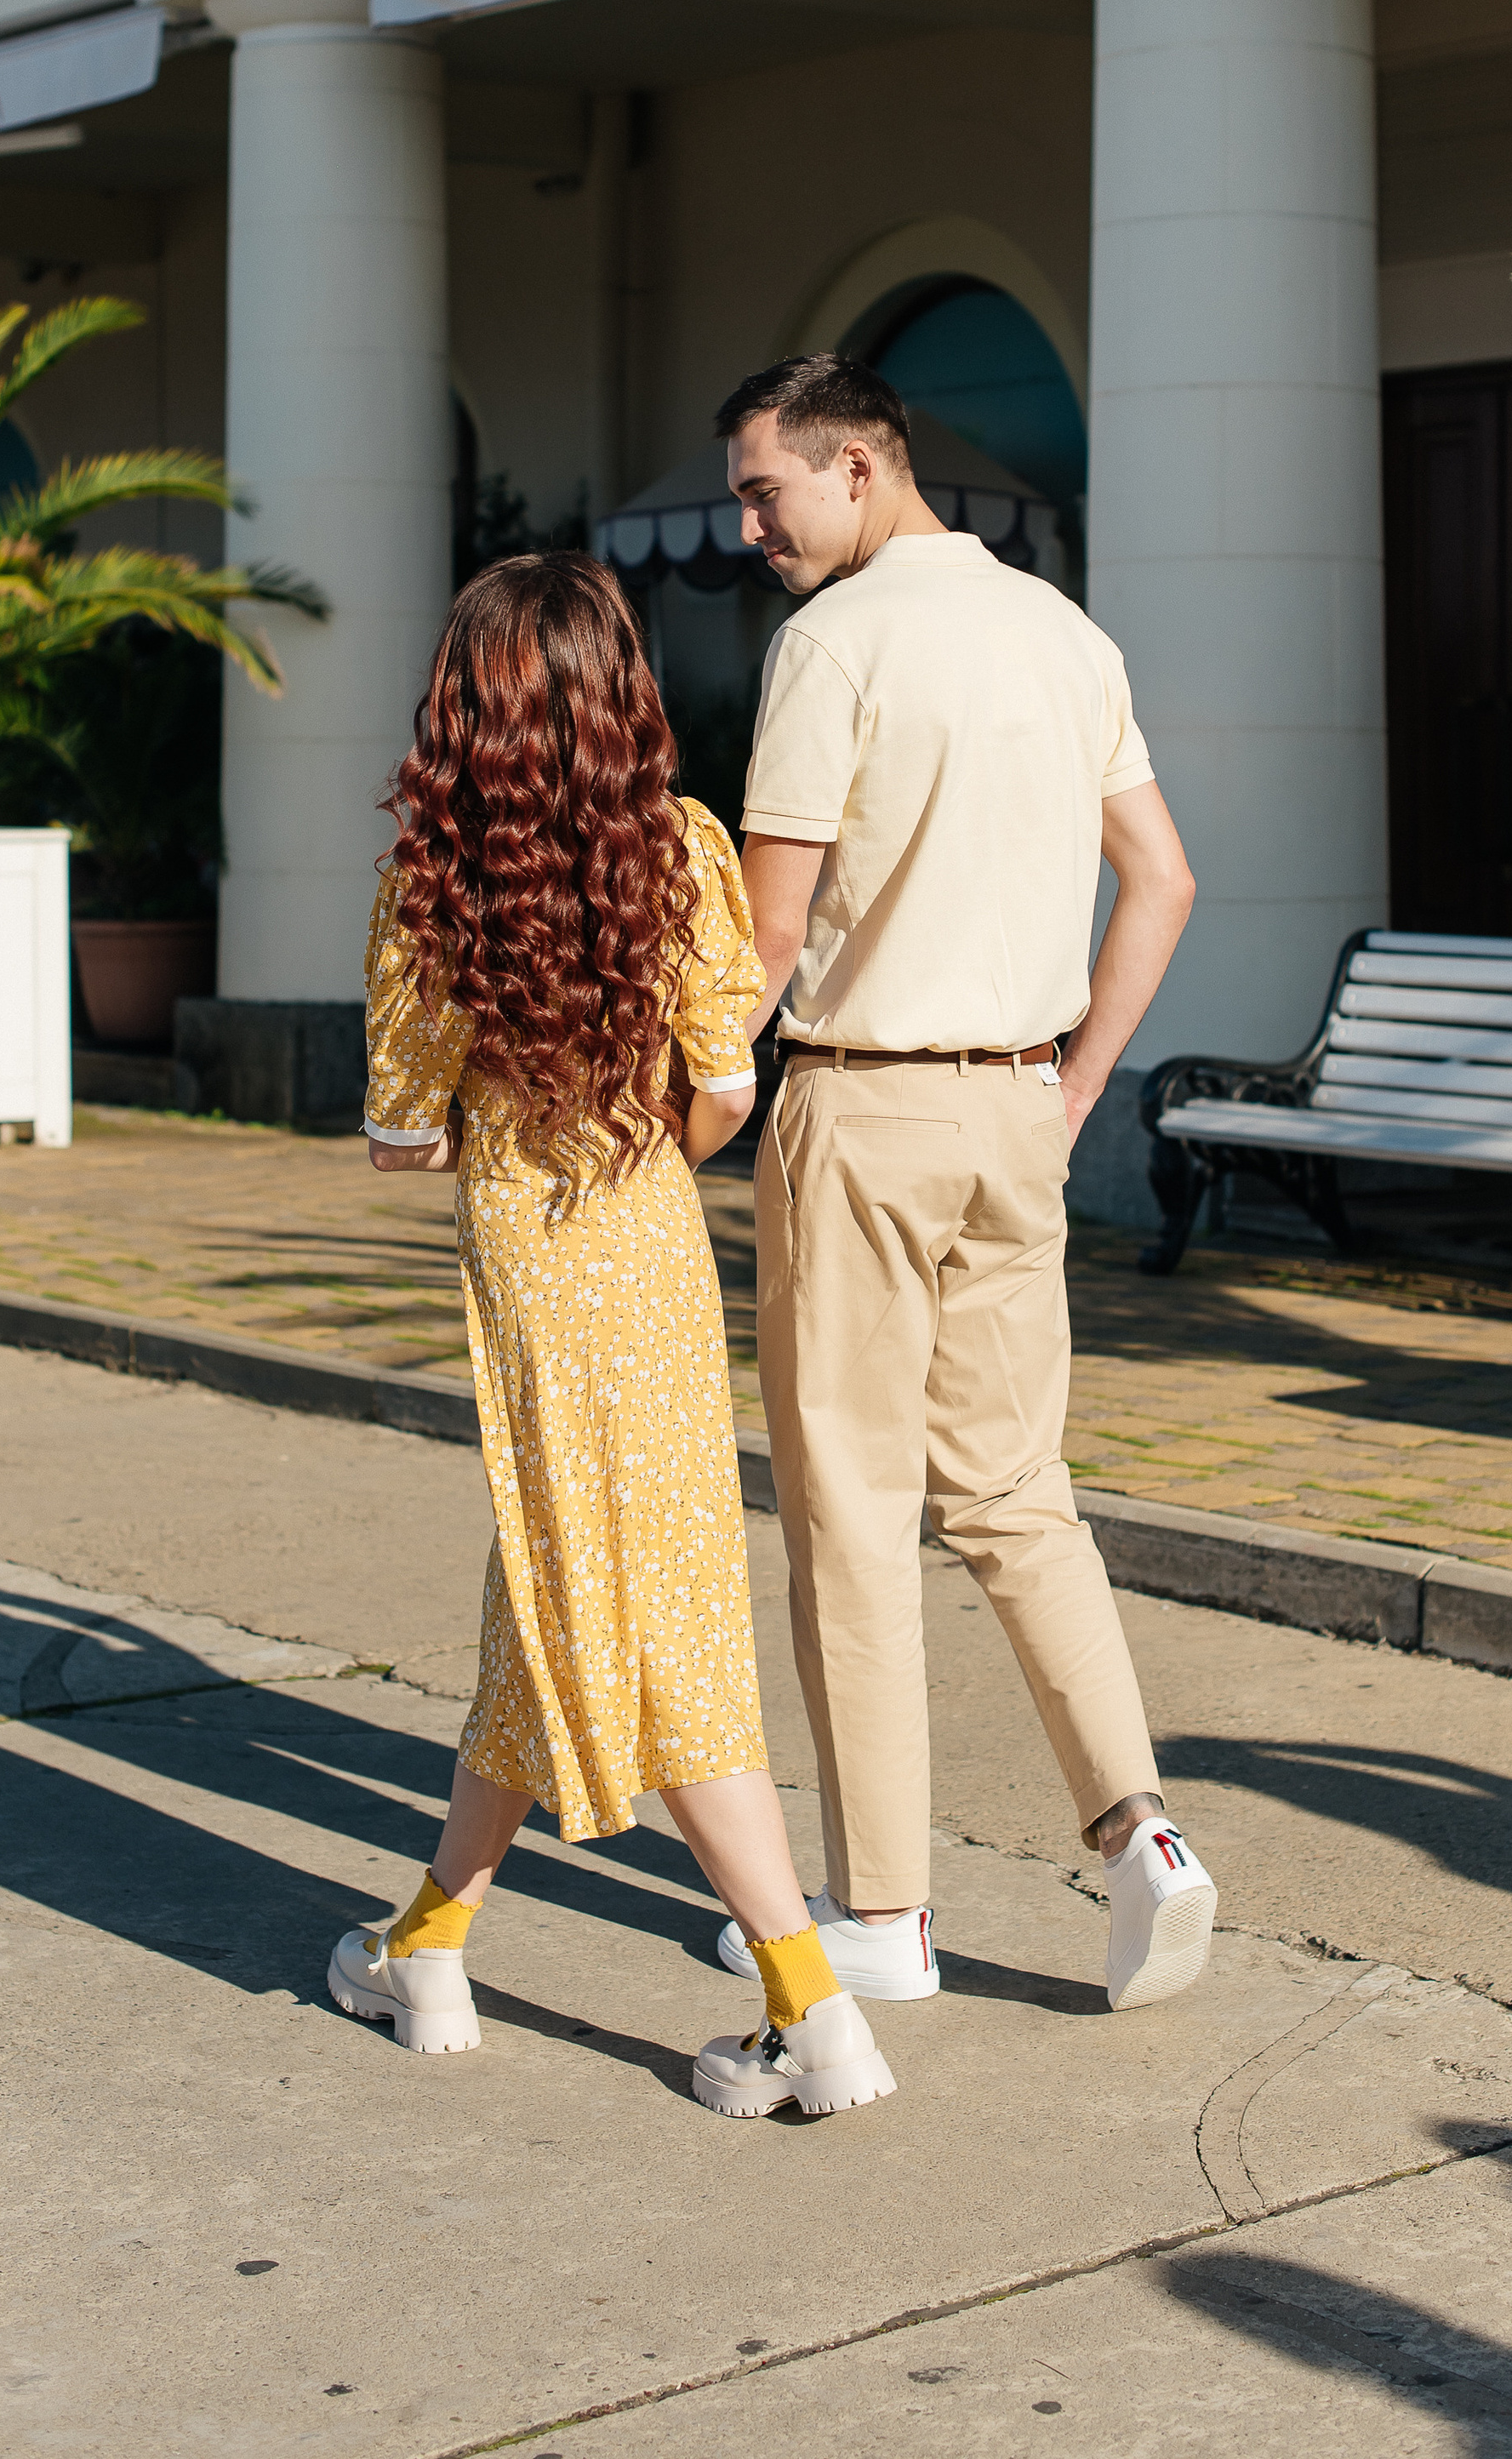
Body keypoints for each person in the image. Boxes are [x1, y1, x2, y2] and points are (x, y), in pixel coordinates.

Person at [327, 552, 896, 2122]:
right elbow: (728, 1079)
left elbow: (399, 1131)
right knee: (584, 1576)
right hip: (648, 1238)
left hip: (525, 1248)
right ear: (618, 693)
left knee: (619, 1599)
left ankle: (816, 2012)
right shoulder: (686, 849)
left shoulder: (434, 881)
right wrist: (642, 1139)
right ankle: (429, 1939)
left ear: (466, 710)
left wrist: (491, 1124)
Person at [711, 354, 1215, 2017]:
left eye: (763, 491)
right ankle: (1139, 1835)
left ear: (856, 467)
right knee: (1016, 1494)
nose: (749, 526)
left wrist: (677, 1101)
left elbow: (768, 938)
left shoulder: (831, 646)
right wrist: (1071, 1088)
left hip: (861, 1110)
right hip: (1013, 1114)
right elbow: (1162, 877)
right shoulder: (1065, 640)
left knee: (850, 1507)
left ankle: (882, 1913)